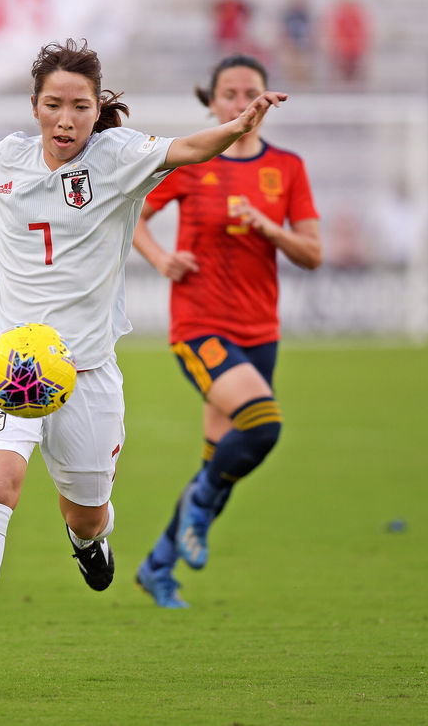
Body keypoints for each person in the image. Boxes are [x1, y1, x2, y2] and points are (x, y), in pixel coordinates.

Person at [0, 39, 288, 677]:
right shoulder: (11, 159)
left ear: (96, 107)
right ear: (34, 106)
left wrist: (236, 127)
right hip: (13, 365)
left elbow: (187, 149)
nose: (66, 119)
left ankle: (89, 541)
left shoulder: (121, 160)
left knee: (86, 507)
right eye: (53, 105)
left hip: (87, 374)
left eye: (80, 106)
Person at [132, 55, 321, 608]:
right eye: (230, 94)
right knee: (261, 425)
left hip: (260, 332)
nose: (242, 103)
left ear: (268, 99)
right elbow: (132, 216)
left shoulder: (286, 168)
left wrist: (270, 229)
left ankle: (158, 567)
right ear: (211, 102)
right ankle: (198, 508)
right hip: (201, 326)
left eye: (251, 92)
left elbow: (313, 252)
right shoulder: (192, 162)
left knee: (224, 457)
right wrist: (162, 260)